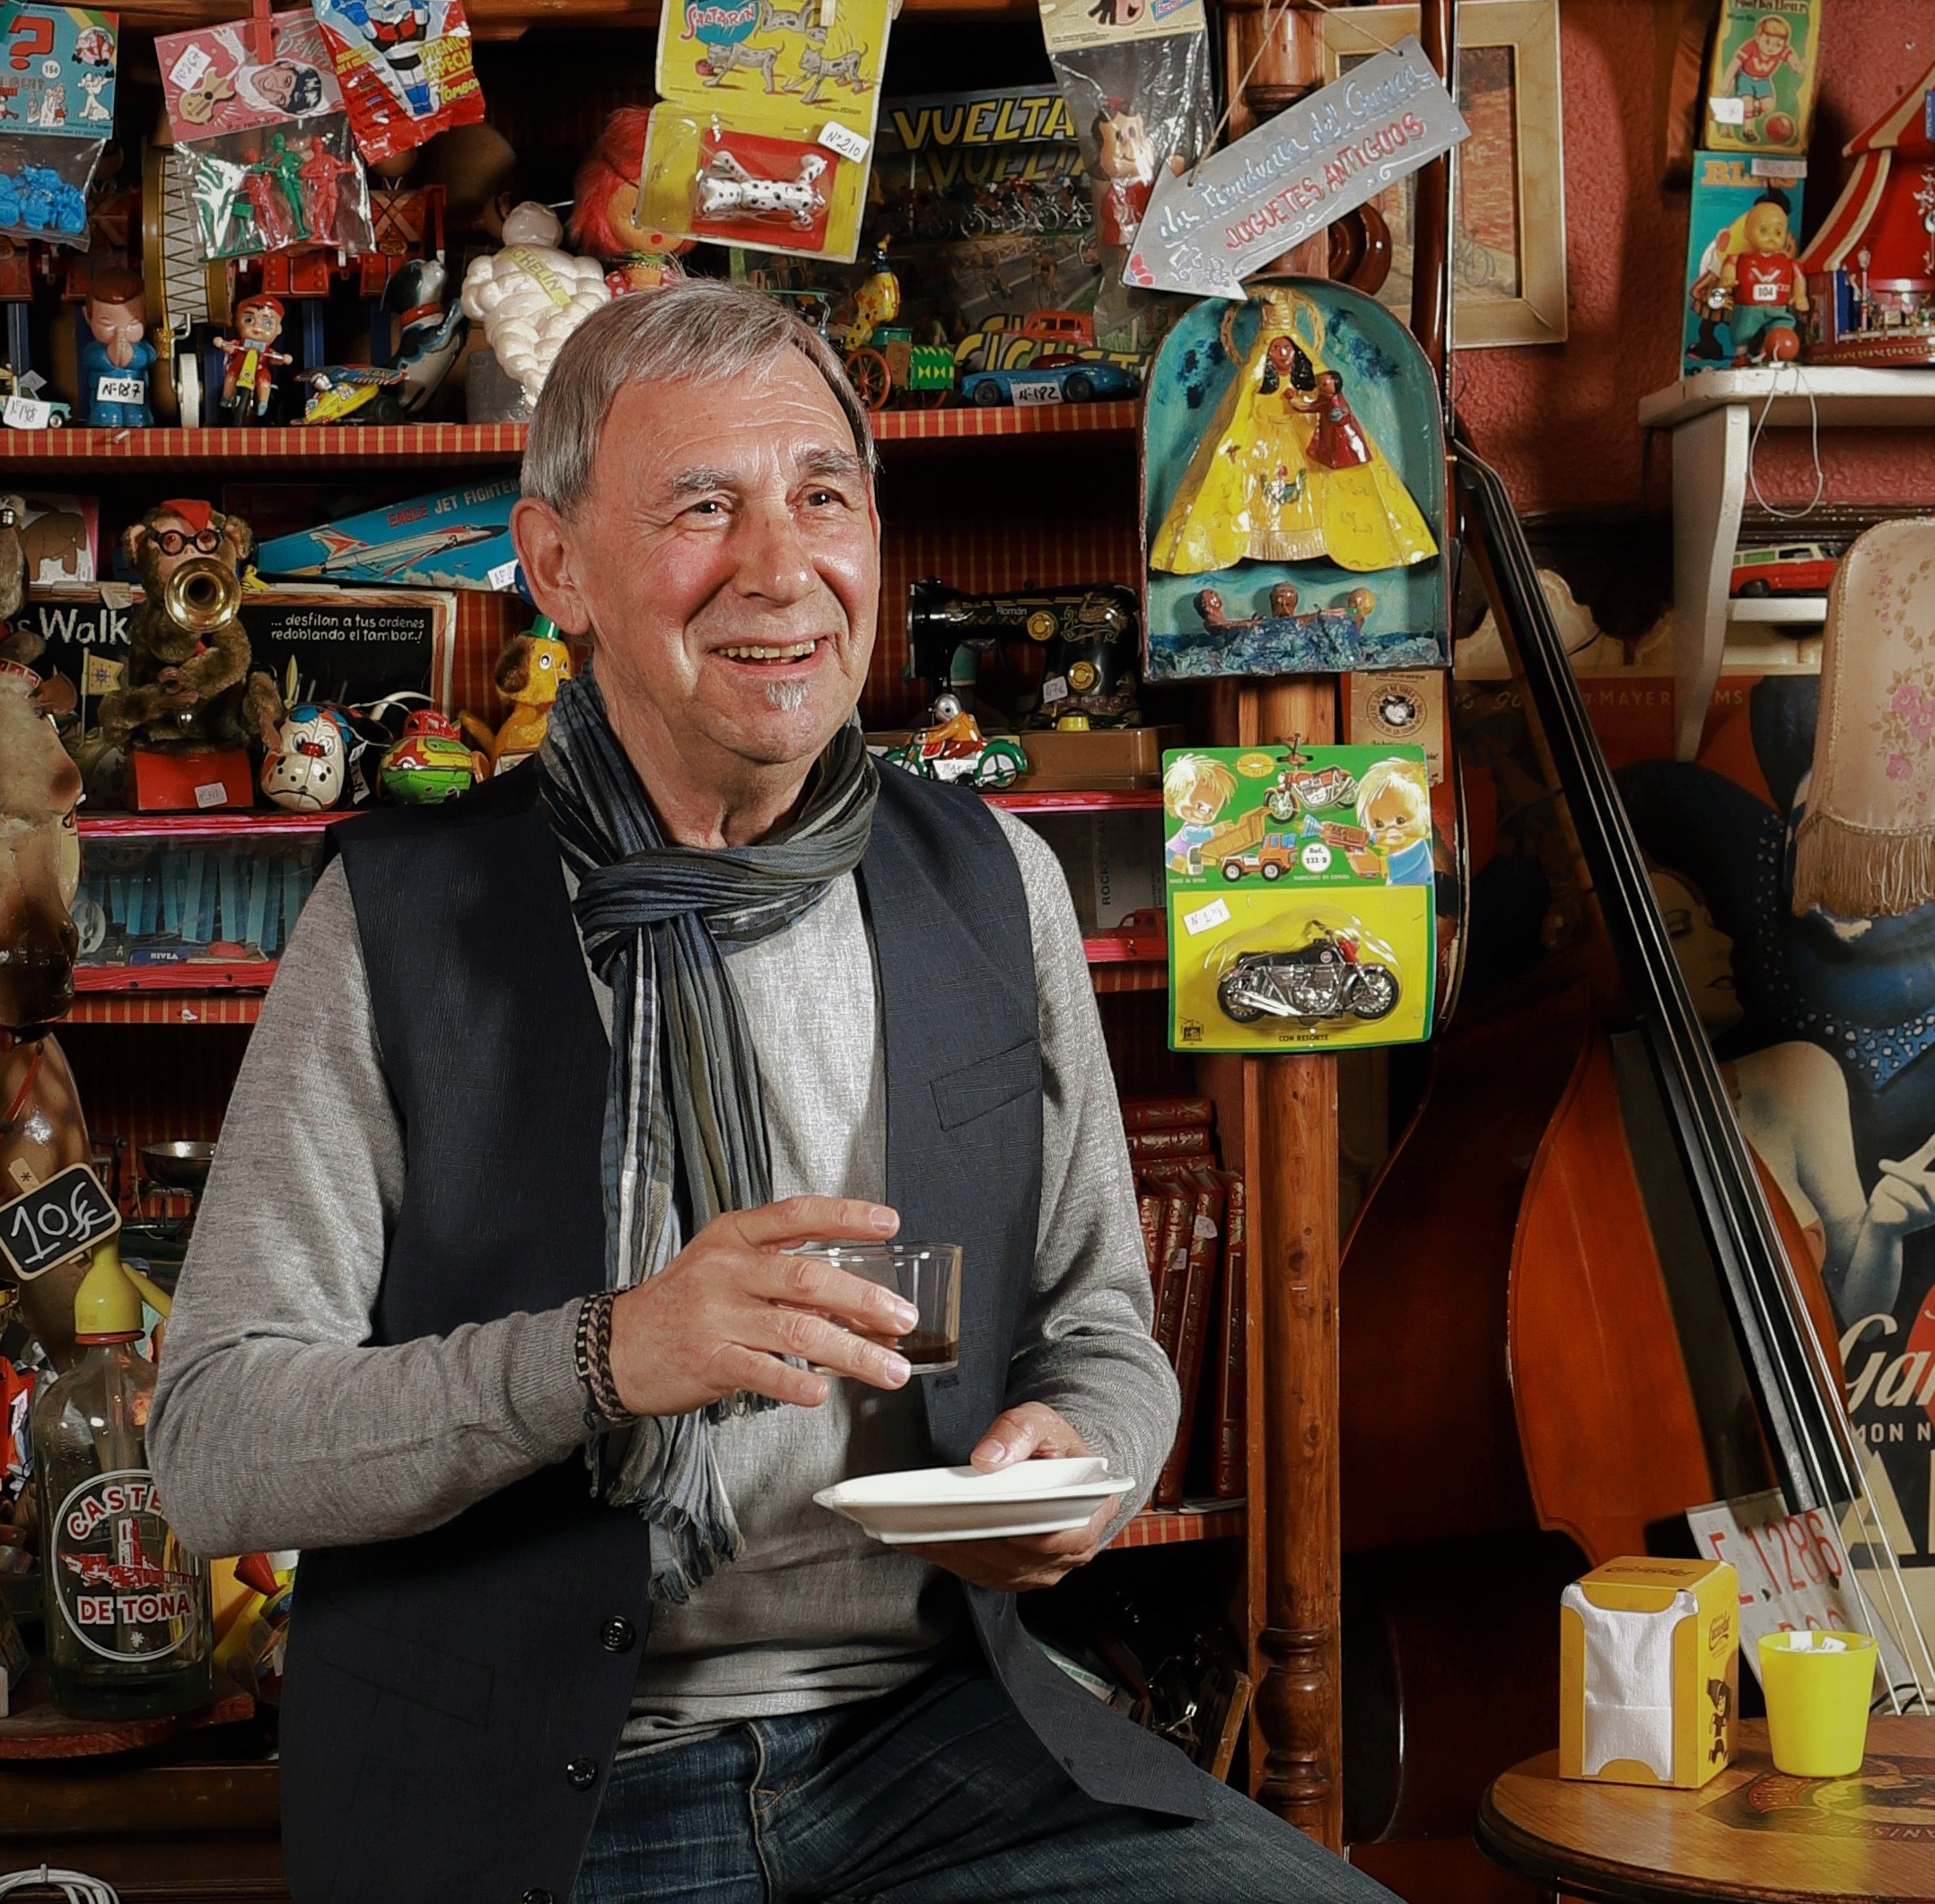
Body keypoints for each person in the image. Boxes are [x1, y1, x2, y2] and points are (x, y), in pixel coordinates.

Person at [150, 281, 1397, 1904]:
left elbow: (1101, 1331)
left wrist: (1075, 1455)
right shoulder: (394, 919)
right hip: (535, 1782)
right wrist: (604, 1356)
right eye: (701, 508)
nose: (780, 566)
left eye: (822, 496)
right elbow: (216, 1444)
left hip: (930, 1739)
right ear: (557, 567)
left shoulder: (993, 883)